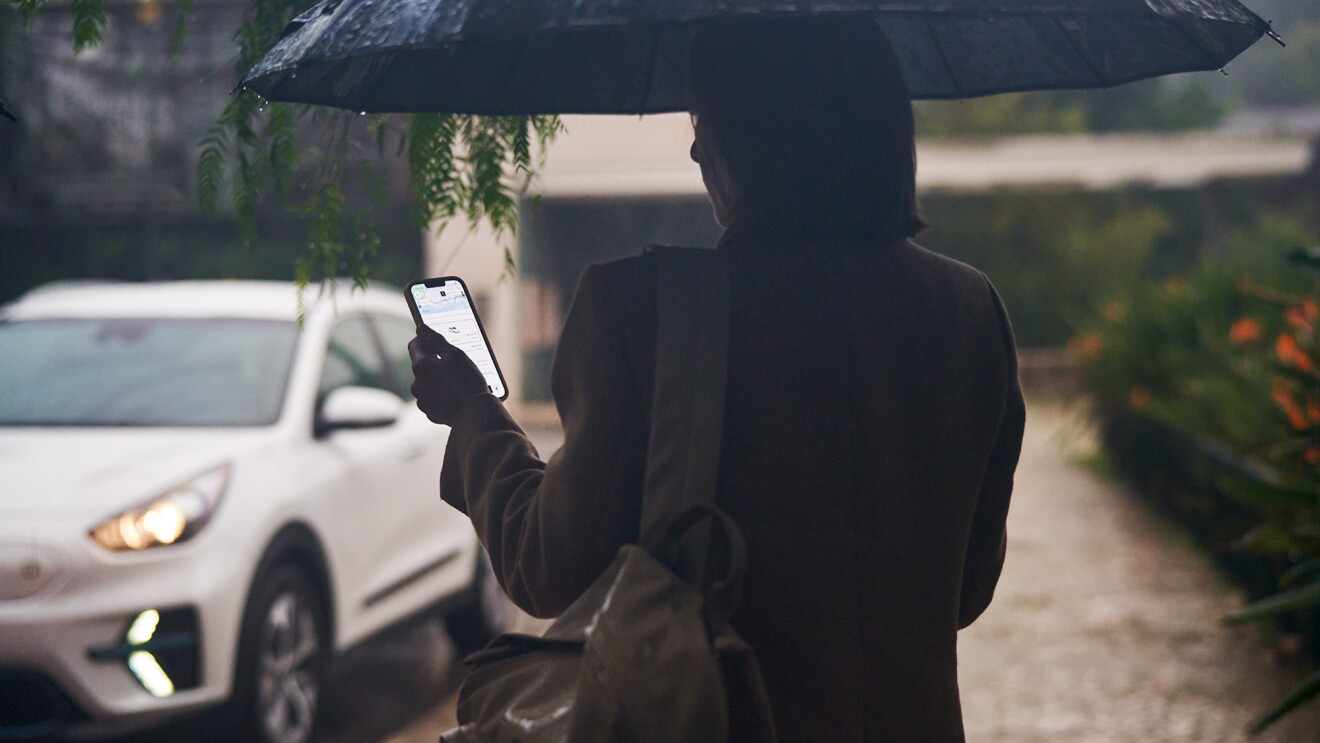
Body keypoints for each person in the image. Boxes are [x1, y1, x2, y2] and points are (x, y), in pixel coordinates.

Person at [409, 18, 1025, 743]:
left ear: (759, 134)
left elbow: (548, 566)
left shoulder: (640, 312)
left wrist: (475, 418)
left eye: (707, 119)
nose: (697, 148)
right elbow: (966, 588)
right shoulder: (968, 309)